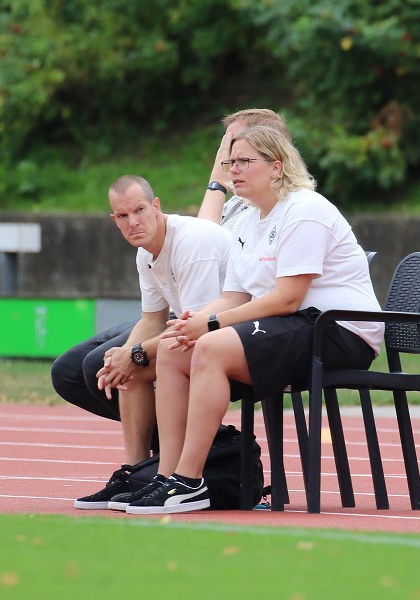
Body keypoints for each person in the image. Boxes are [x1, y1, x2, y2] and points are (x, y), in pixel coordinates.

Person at [115, 126, 385, 515]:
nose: (234, 170)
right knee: (176, 348)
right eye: (231, 162)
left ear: (276, 167)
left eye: (244, 162)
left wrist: (210, 327)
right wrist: (192, 320)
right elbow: (234, 297)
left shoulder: (305, 208)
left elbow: (288, 298)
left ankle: (190, 482)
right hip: (295, 324)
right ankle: (166, 477)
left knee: (209, 346)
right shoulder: (246, 222)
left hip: (339, 330)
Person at [52, 110, 292, 509]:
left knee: (124, 361)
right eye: (224, 149)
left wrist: (136, 354)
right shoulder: (236, 208)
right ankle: (150, 468)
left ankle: (184, 461)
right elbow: (155, 316)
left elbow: (220, 300)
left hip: (223, 324)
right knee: (88, 367)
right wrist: (128, 353)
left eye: (233, 149)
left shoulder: (272, 210)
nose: (224, 156)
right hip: (198, 315)